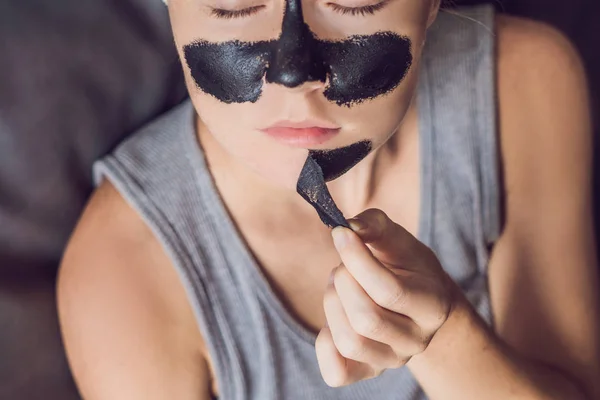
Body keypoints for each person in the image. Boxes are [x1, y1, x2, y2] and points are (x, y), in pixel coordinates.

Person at [56, 0, 600, 399]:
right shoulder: (123, 269)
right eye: (234, 3)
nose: (295, 72)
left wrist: (445, 339)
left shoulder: (521, 84)